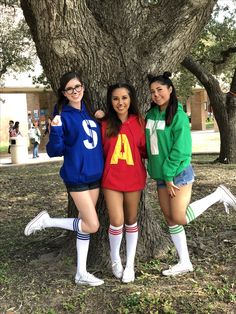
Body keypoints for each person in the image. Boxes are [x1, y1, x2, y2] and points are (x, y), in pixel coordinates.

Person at [145, 72, 236, 276]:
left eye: (160, 89)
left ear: (170, 89)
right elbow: (151, 146)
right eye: (152, 91)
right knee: (170, 218)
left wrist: (168, 176)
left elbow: (181, 149)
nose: (156, 94)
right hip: (161, 175)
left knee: (179, 216)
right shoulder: (150, 115)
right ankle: (184, 262)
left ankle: (218, 195)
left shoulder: (177, 115)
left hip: (177, 174)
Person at [24, 71, 104, 286]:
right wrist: (56, 130)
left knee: (83, 224)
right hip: (76, 177)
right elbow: (54, 151)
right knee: (92, 225)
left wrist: (102, 118)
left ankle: (81, 272)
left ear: (83, 87)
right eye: (70, 88)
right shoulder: (63, 116)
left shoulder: (89, 113)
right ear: (64, 93)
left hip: (95, 176)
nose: (75, 91)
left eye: (77, 86)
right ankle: (47, 221)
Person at [101, 83, 147, 283]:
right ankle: (115, 260)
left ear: (131, 100)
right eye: (115, 98)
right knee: (116, 220)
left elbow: (145, 150)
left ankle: (130, 264)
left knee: (131, 219)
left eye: (124, 98)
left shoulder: (140, 122)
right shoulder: (104, 123)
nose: (120, 102)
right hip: (111, 179)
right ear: (111, 102)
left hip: (134, 177)